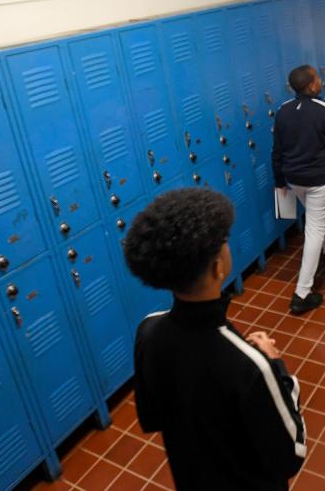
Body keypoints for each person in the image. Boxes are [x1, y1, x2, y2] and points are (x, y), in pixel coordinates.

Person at [125, 188, 306, 490]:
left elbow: (151, 416)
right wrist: (277, 369)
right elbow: (292, 456)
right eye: (224, 242)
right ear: (217, 267)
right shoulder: (250, 365)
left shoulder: (148, 332)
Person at [272, 65, 325, 315]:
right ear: (312, 85)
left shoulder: (283, 111)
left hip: (293, 179)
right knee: (314, 227)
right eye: (318, 77)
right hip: (320, 180)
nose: (321, 80)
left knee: (316, 218)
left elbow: (277, 151)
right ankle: (302, 293)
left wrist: (279, 180)